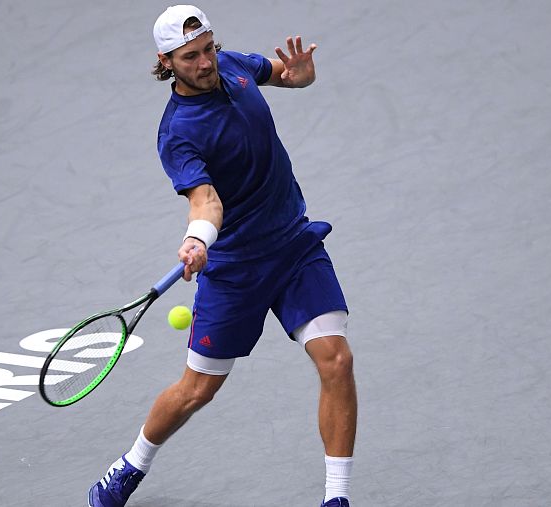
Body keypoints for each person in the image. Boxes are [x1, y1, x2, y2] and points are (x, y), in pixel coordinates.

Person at [88, 5, 357, 507]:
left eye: (209, 48)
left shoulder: (232, 64)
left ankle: (336, 499)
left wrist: (298, 78)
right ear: (166, 61)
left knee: (336, 360)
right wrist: (198, 240)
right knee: (196, 391)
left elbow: (277, 73)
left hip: (293, 246)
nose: (206, 62)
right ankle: (130, 465)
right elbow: (205, 200)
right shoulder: (179, 132)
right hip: (234, 269)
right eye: (191, 56)